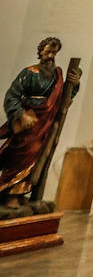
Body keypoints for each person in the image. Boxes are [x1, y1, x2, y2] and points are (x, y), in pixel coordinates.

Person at [0, 36, 79, 202]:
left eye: (54, 53)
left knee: (37, 155)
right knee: (19, 154)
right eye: (48, 52)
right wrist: (20, 114)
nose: (50, 56)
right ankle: (8, 192)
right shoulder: (29, 72)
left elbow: (63, 97)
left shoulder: (56, 75)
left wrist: (74, 84)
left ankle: (19, 192)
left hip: (45, 122)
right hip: (29, 120)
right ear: (41, 51)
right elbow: (11, 96)